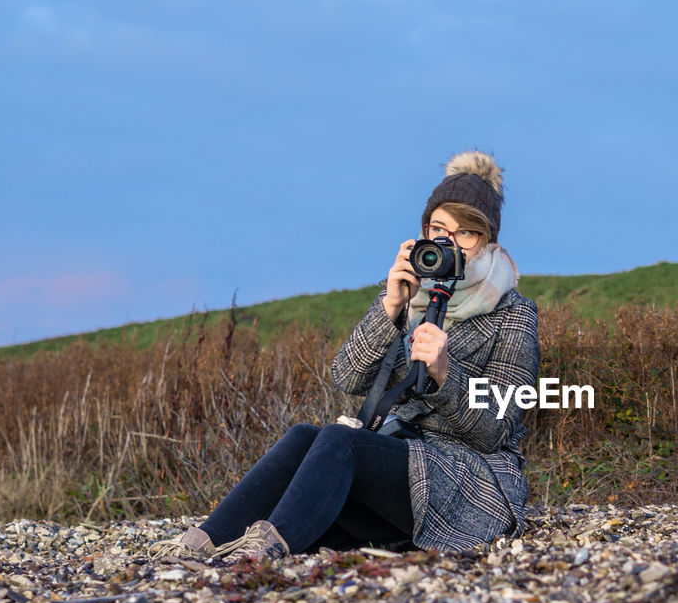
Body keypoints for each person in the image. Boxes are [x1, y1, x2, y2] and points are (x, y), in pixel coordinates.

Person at [148, 151, 540, 563]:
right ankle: (199, 544)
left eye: (465, 234)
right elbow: (348, 376)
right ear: (423, 230)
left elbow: (496, 431)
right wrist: (391, 309)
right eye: (438, 228)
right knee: (304, 435)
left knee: (341, 441)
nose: (447, 242)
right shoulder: (409, 294)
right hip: (395, 470)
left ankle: (262, 553)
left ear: (487, 241)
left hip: (469, 486)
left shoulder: (512, 313)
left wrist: (446, 375)